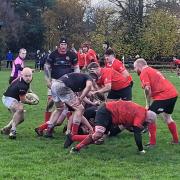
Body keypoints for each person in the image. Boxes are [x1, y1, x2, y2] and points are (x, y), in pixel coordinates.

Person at [70, 100, 157, 154]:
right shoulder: (141, 115)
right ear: (148, 118)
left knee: (101, 138)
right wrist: (141, 150)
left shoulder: (142, 111)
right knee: (98, 135)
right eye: (149, 122)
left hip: (111, 116)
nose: (148, 124)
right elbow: (137, 134)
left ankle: (76, 139)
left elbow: (130, 124)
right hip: (106, 111)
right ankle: (75, 147)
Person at [134, 58, 179, 147]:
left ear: (139, 66)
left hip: (164, 96)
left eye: (135, 68)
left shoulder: (144, 72)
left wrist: (148, 103)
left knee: (150, 115)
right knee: (167, 117)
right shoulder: (152, 70)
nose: (135, 70)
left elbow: (147, 88)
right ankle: (176, 140)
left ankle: (152, 143)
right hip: (173, 94)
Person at [44, 73, 94, 145]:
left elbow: (82, 94)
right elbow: (88, 87)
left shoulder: (80, 81)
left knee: (59, 108)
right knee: (80, 109)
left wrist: (91, 101)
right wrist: (80, 99)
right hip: (63, 86)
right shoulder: (89, 78)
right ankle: (73, 135)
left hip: (55, 85)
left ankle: (48, 131)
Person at [42, 37, 80, 124]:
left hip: (68, 82)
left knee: (69, 103)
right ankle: (46, 123)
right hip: (55, 81)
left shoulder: (72, 55)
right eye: (62, 44)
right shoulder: (52, 55)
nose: (63, 46)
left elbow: (76, 68)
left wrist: (76, 81)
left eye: (65, 44)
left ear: (67, 45)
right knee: (50, 102)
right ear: (59, 45)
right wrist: (48, 80)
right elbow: (47, 67)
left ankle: (69, 126)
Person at [1, 68, 35, 139]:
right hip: (8, 98)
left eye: (29, 76)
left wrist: (30, 91)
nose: (28, 78)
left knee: (21, 119)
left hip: (14, 98)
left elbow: (13, 82)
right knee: (20, 109)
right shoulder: (22, 86)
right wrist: (31, 102)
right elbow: (23, 100)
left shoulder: (25, 78)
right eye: (26, 76)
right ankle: (13, 131)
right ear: (22, 75)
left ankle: (6, 129)